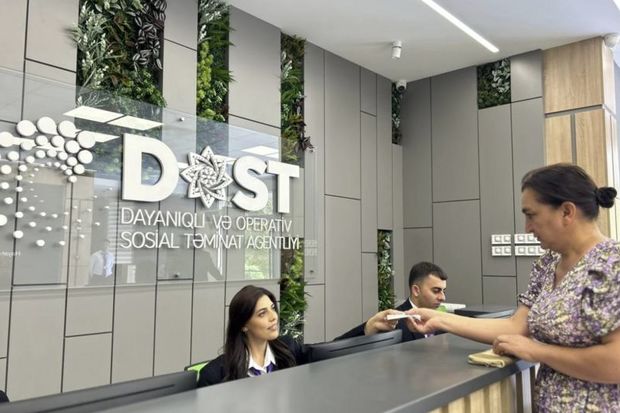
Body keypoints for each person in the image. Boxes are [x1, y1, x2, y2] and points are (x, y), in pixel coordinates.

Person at [405, 164, 620, 412]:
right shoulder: (548, 263)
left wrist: (539, 351)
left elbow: (615, 362)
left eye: (531, 215)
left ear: (566, 212)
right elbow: (515, 327)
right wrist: (439, 319)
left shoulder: (611, 264)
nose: (527, 227)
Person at [198, 285, 401, 386]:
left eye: (272, 308)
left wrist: (368, 327)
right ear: (243, 324)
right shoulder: (215, 375)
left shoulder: (288, 349)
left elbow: (329, 351)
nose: (273, 317)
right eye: (262, 314)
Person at [336, 261, 447, 341]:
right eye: (436, 291)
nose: (443, 297)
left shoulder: (443, 322)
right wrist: (368, 328)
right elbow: (338, 349)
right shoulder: (392, 324)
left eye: (443, 291)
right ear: (416, 290)